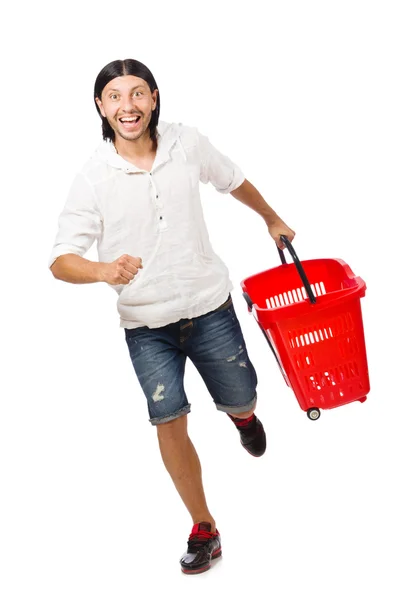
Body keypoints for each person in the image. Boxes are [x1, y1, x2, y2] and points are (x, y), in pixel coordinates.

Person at [48, 58, 295, 575]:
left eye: (137, 94)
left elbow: (233, 180)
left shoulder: (186, 144)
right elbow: (60, 260)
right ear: (101, 106)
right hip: (146, 325)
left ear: (154, 98)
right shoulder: (94, 176)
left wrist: (271, 217)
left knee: (240, 394)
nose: (127, 106)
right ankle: (204, 526)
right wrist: (102, 269)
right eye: (115, 97)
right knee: (168, 418)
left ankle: (243, 416)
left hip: (209, 305)